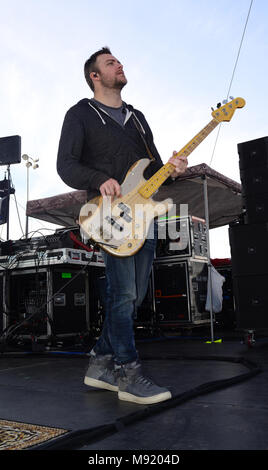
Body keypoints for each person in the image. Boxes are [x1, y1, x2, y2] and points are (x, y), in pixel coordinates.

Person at [57, 47, 188, 405]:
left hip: (144, 218)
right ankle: (127, 373)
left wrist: (173, 171)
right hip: (109, 216)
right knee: (124, 294)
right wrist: (99, 178)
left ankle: (100, 362)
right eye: (111, 63)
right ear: (95, 76)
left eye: (119, 61)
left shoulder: (138, 117)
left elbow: (154, 170)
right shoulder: (81, 113)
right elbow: (66, 165)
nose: (120, 65)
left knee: (134, 297)